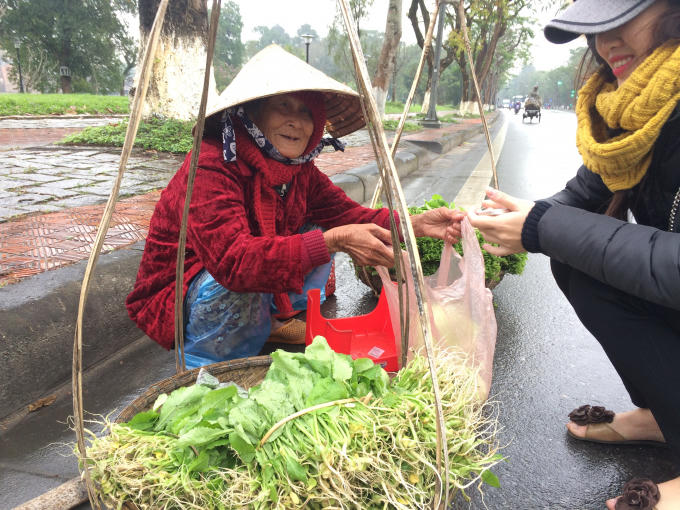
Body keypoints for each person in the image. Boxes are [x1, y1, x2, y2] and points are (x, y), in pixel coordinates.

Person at [126, 45, 463, 369]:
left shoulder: (299, 171)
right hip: (184, 293)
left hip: (238, 277)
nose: (296, 122)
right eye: (283, 107)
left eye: (306, 112)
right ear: (253, 113)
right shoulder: (213, 163)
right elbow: (234, 262)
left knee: (320, 228)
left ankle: (270, 322)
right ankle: (208, 363)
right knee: (310, 245)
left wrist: (415, 225)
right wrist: (332, 241)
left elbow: (350, 216)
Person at [469, 1, 680, 508]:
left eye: (622, 17)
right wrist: (484, 223)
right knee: (575, 260)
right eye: (597, 29)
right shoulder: (638, 114)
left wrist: (542, 227)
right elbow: (579, 198)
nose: (606, 43)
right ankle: (666, 415)